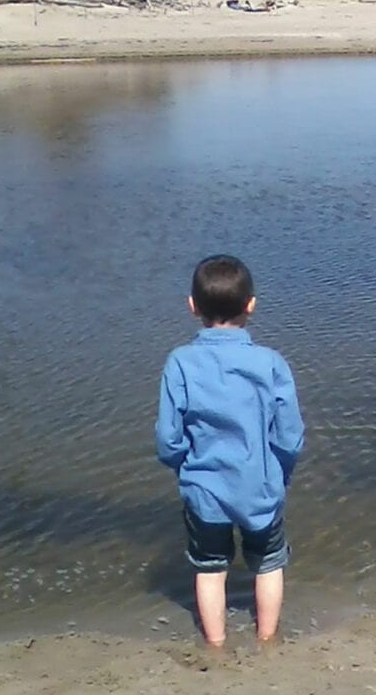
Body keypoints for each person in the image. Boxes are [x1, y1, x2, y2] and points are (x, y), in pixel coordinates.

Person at [156, 254, 305, 646]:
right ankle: (267, 639)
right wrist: (281, 472)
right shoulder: (270, 363)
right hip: (260, 484)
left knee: (209, 568)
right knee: (269, 564)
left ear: (192, 307)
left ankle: (217, 644)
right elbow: (289, 436)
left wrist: (184, 470)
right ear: (251, 305)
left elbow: (168, 438)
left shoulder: (180, 364)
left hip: (204, 488)